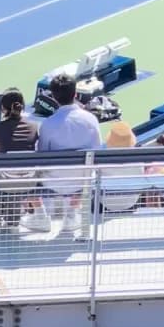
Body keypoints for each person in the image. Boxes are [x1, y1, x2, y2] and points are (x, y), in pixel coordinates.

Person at [36, 72, 101, 234]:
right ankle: (72, 213)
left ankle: (43, 213)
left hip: (53, 183)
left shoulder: (48, 124)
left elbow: (42, 156)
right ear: (75, 94)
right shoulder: (91, 119)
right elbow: (97, 150)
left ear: (53, 97)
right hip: (82, 181)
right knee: (88, 169)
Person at [0, 88, 39, 230]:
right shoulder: (34, 127)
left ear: (2, 108)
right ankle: (12, 222)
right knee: (14, 179)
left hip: (7, 180)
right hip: (28, 181)